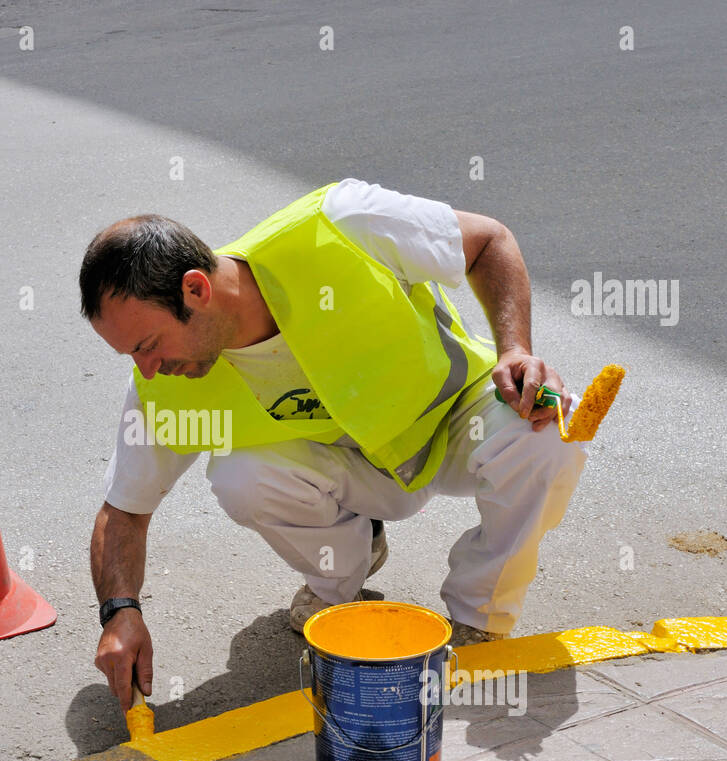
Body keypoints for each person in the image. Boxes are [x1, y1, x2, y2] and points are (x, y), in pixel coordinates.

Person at [80, 178, 587, 712]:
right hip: (359, 471)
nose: (148, 369)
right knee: (240, 477)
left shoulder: (337, 226)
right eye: (132, 356)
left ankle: (477, 620)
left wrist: (515, 349)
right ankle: (340, 581)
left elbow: (488, 241)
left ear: (196, 290)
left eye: (149, 345)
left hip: (455, 416)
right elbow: (124, 512)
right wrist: (119, 613)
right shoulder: (164, 388)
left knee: (553, 432)